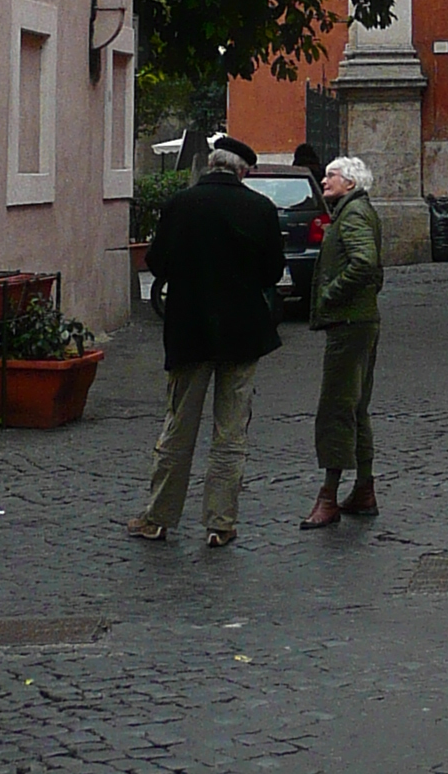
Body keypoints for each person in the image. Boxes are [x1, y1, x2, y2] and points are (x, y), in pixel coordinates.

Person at [129, 142, 284, 549]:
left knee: (179, 426)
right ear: (241, 172)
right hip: (243, 331)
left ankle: (158, 518)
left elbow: (157, 262)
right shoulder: (260, 209)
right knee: (231, 432)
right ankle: (221, 523)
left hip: (189, 328)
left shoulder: (181, 204)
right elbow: (272, 272)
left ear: (211, 165)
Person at [303, 154, 384, 528]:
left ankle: (329, 495)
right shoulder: (355, 211)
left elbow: (364, 262)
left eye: (330, 176)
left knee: (336, 408)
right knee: (355, 408)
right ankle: (363, 489)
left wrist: (331, 294)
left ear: (350, 183)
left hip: (349, 323)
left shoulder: (352, 215)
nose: (324, 182)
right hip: (360, 320)